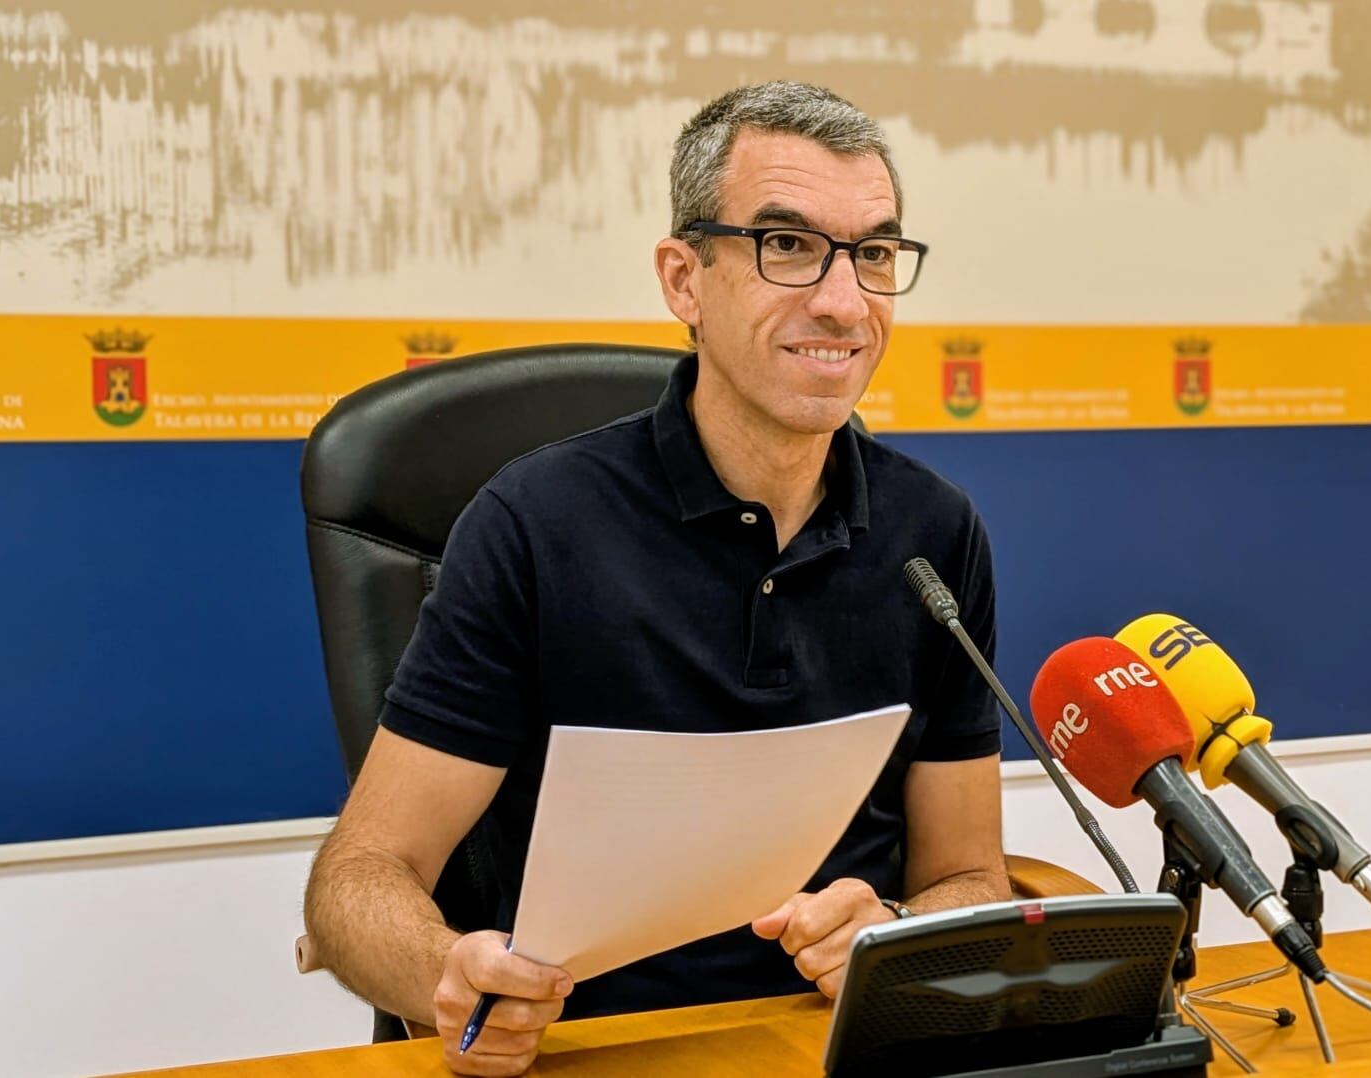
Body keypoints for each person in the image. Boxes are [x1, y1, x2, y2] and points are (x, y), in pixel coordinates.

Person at [303, 81, 1009, 1078]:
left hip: (831, 1048)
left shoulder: (933, 535)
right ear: (684, 279)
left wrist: (896, 932)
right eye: (788, 247)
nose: (844, 302)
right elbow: (358, 878)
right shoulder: (533, 524)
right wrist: (443, 972)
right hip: (584, 1054)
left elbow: (971, 875)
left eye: (875, 255)